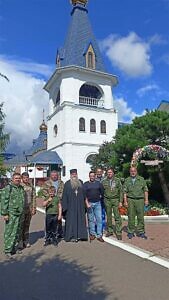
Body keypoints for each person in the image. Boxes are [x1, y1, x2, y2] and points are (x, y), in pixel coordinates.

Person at [1, 173, 25, 258]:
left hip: (19, 214)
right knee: (10, 232)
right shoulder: (8, 188)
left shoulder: (21, 188)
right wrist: (5, 213)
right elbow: (4, 201)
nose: (18, 179)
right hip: (11, 214)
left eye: (19, 178)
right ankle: (8, 250)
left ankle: (13, 248)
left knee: (17, 232)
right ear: (12, 179)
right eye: (16, 178)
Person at [62, 169, 88, 242]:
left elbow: (84, 195)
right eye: (73, 174)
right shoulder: (67, 184)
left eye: (75, 174)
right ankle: (71, 236)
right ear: (70, 175)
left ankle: (81, 235)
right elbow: (64, 196)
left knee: (80, 220)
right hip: (70, 207)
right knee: (71, 221)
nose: (74, 175)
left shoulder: (80, 183)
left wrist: (86, 205)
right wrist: (65, 208)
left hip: (80, 206)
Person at [123, 167, 149, 239]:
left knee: (140, 217)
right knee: (131, 216)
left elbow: (145, 190)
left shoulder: (141, 179)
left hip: (140, 200)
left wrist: (146, 200)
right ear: (130, 172)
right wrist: (125, 201)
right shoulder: (127, 180)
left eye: (134, 171)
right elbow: (124, 192)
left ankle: (141, 232)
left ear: (136, 172)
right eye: (131, 171)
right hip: (130, 200)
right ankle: (130, 232)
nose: (133, 172)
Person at [41, 170, 64, 238]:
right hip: (50, 203)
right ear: (50, 176)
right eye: (53, 175)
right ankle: (48, 235)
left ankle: (59, 233)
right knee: (49, 220)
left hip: (59, 202)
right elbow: (44, 192)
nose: (54, 176)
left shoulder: (61, 183)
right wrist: (51, 197)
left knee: (59, 219)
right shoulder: (46, 183)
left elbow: (63, 191)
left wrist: (58, 198)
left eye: (55, 175)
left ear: (57, 175)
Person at [102, 168, 123, 240]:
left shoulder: (117, 180)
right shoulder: (104, 181)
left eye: (110, 172)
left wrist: (120, 201)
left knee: (117, 216)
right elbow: (101, 191)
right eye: (108, 173)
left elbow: (121, 191)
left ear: (113, 173)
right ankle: (110, 231)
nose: (109, 174)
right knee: (109, 216)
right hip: (107, 200)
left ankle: (119, 232)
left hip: (115, 200)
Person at [84, 171, 104, 242]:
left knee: (99, 220)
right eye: (90, 176)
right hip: (89, 204)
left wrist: (99, 197)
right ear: (89, 176)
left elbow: (102, 192)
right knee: (91, 220)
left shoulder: (99, 184)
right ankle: (92, 234)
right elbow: (84, 195)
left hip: (97, 204)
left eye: (93, 176)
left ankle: (99, 235)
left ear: (95, 176)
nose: (92, 177)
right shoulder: (86, 184)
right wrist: (87, 203)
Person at [20, 172, 36, 248]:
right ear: (22, 178)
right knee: (20, 226)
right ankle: (20, 241)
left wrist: (34, 208)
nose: (26, 179)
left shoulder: (31, 186)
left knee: (27, 225)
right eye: (24, 177)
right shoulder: (19, 186)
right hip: (21, 209)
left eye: (27, 177)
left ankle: (26, 240)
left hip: (29, 208)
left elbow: (34, 197)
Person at [95, 168, 106, 232]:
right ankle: (96, 227)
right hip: (96, 199)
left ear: (102, 172)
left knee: (102, 214)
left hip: (103, 200)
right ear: (96, 172)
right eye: (98, 172)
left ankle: (103, 227)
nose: (99, 173)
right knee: (96, 214)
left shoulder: (105, 180)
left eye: (100, 172)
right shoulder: (94, 179)